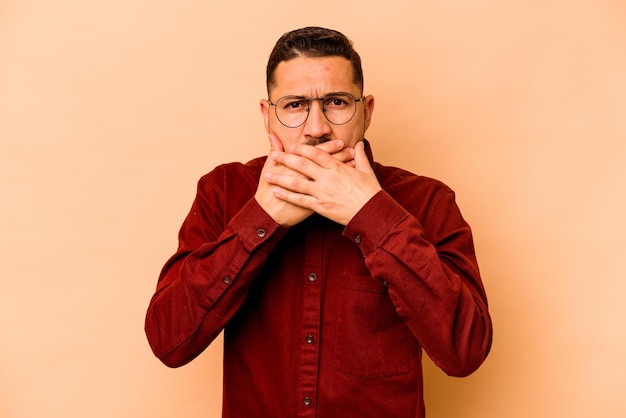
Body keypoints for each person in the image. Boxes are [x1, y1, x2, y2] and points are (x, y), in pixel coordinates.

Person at [145, 26, 492, 417]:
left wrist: (372, 215)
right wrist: (261, 220)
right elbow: (169, 342)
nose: (316, 128)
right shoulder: (224, 192)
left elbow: (466, 351)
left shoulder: (426, 201)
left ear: (367, 111)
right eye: (294, 105)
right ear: (267, 115)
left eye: (337, 102)